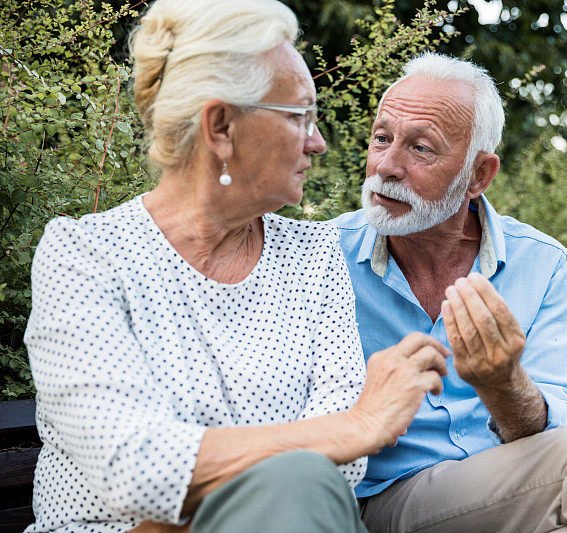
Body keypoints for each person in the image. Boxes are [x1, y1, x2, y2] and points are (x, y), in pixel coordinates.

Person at [23, 1, 449, 531]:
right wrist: (355, 424)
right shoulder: (85, 255)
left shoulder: (314, 255)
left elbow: (341, 471)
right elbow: (132, 466)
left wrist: (231, 492)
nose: (318, 142)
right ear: (221, 127)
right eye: (299, 117)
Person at [334, 52, 567, 532]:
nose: (387, 165)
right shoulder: (325, 257)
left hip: (513, 501)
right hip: (382, 505)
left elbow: (563, 426)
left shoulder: (542, 264)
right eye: (382, 138)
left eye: (421, 148)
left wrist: (504, 385)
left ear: (479, 176)